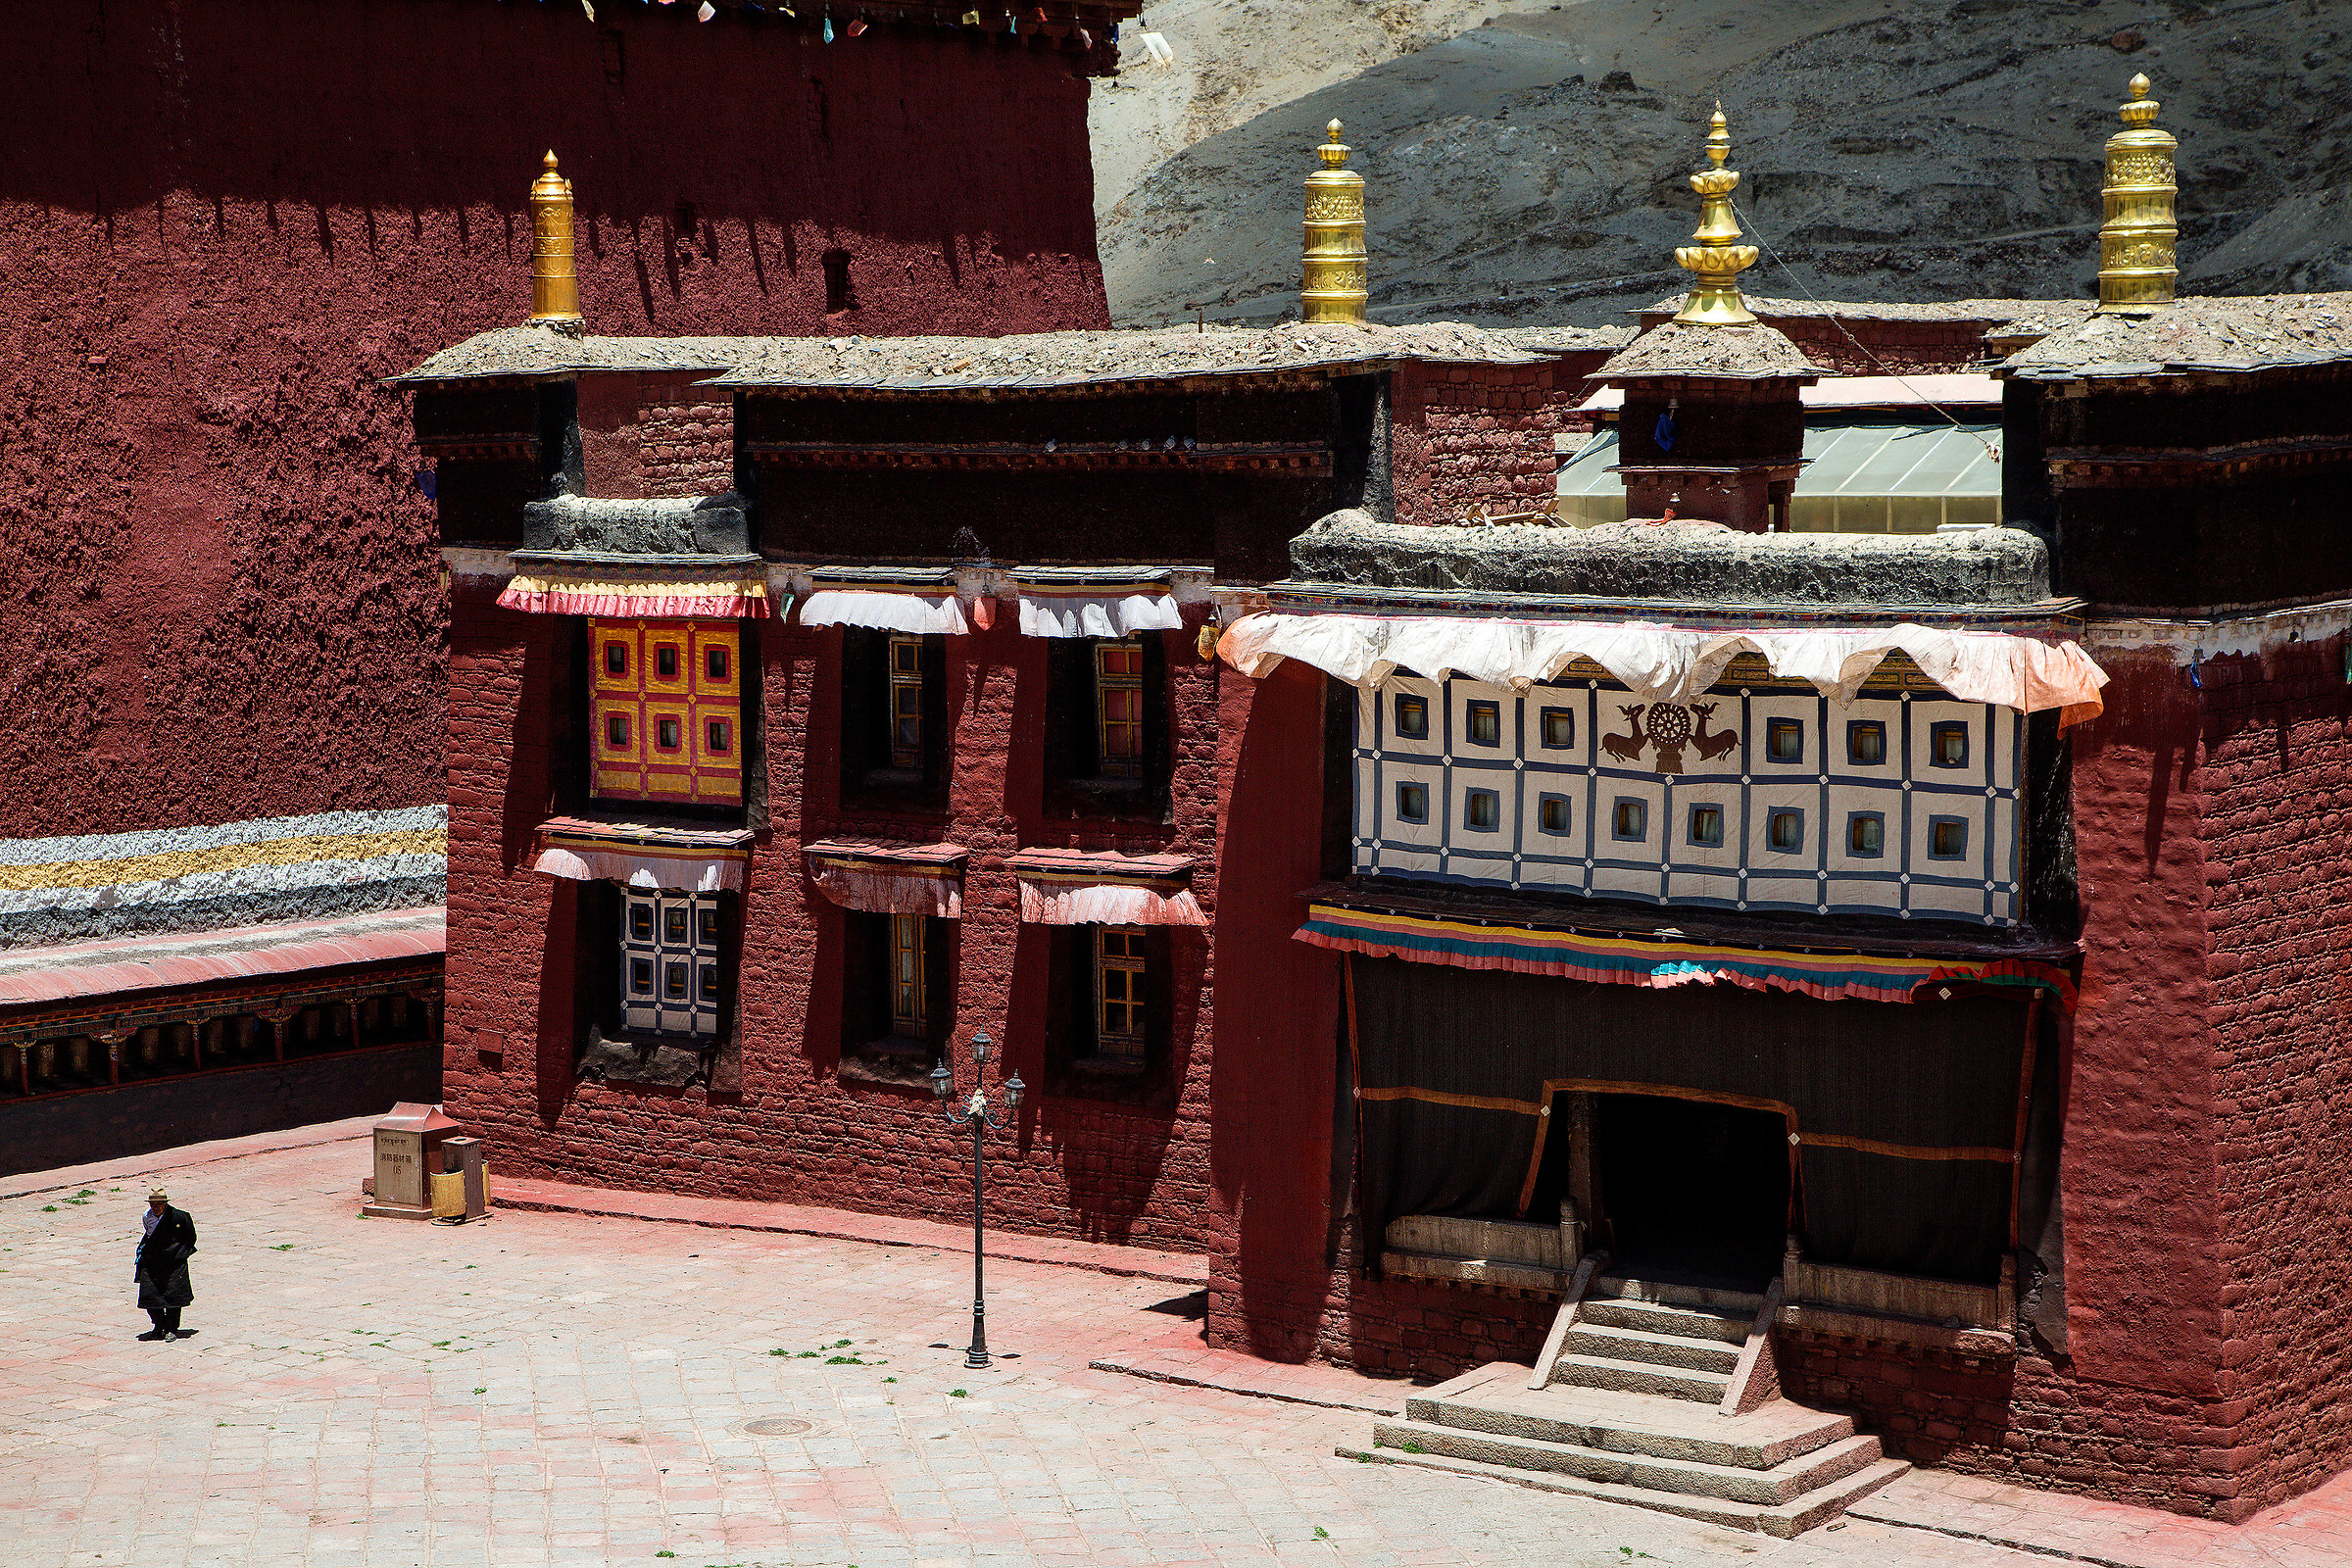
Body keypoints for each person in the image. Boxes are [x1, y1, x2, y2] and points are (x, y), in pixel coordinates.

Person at [134, 1188, 197, 1342]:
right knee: (149, 1296)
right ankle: (159, 1324)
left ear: (165, 1204)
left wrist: (180, 1255)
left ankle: (171, 1328)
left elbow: (190, 1237)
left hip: (174, 1262)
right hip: (152, 1260)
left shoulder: (179, 1217)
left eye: (159, 1204)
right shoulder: (147, 1217)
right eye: (152, 1204)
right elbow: (149, 1236)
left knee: (173, 1296)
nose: (155, 1207)